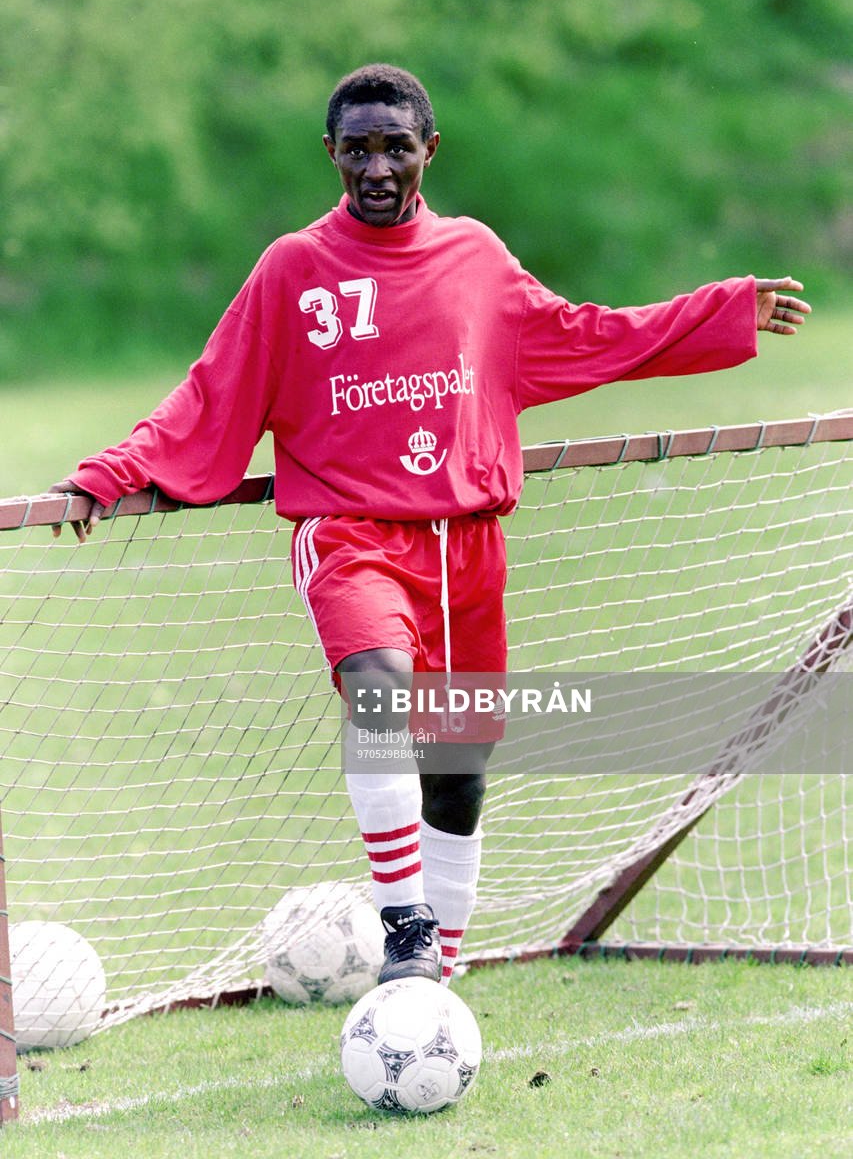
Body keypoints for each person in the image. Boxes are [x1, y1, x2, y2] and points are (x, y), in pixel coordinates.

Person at [50, 63, 811, 986]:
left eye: (395, 147)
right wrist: (113, 472)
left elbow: (584, 334)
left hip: (464, 553)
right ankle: (403, 924)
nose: (377, 167)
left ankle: (434, 975)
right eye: (357, 150)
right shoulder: (293, 268)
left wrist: (718, 310)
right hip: (350, 537)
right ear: (329, 154)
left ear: (428, 151)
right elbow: (213, 392)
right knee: (379, 699)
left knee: (455, 773)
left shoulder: (475, 259)